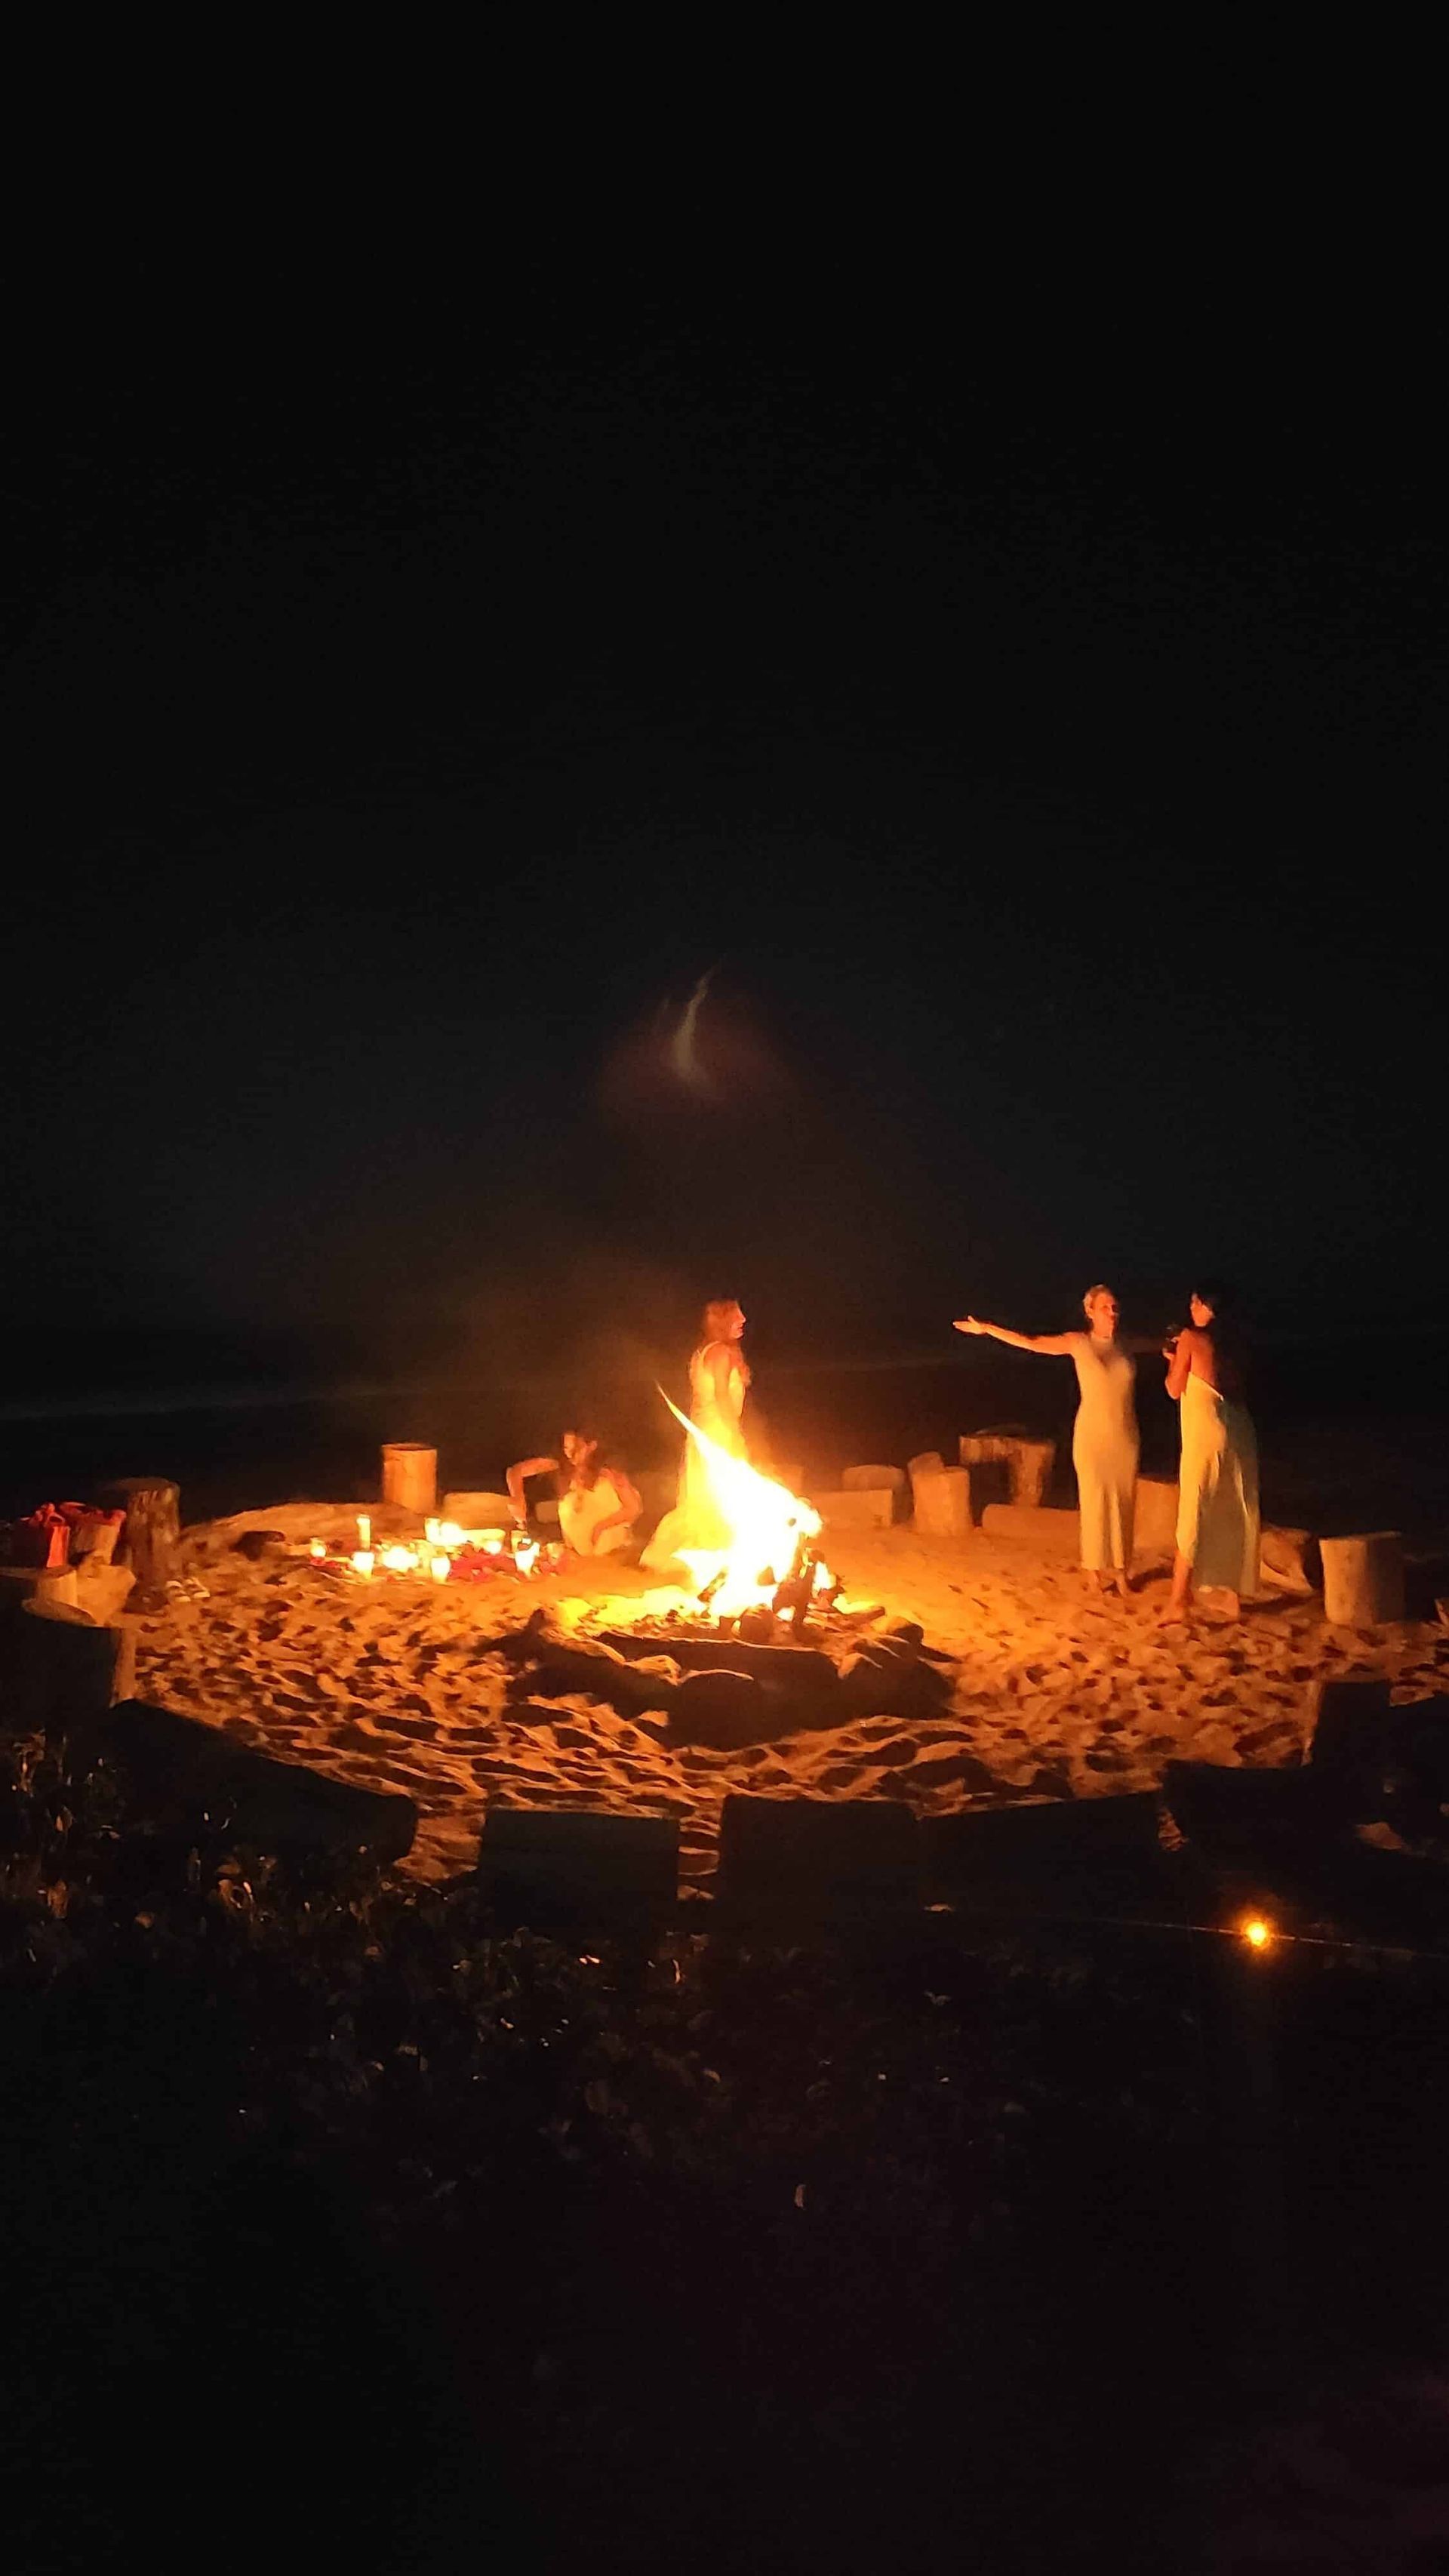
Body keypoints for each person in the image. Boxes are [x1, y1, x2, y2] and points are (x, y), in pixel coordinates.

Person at [953, 1286, 1140, 1593]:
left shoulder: (1126, 1345)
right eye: (1105, 1307)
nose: (1112, 1312)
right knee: (1094, 1501)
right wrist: (987, 1329)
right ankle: (1093, 1571)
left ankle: (1121, 1572)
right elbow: (1031, 1342)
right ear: (1090, 1312)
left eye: (1114, 1307)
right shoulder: (1078, 1343)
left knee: (1124, 1501)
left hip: (1125, 1436)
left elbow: (1167, 1347)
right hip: (1092, 1435)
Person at [1162, 1281, 1259, 1619]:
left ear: (1206, 1306)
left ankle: (1178, 1599)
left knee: (1194, 1508)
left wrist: (1172, 1360)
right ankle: (1230, 1594)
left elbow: (1174, 1388)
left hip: (1207, 1430)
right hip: (1240, 1429)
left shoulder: (1193, 1338)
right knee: (1232, 1506)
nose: (1191, 1308)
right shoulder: (1237, 1342)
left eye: (1195, 1302)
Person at [640, 1297, 752, 1571]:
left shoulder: (703, 1352)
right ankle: (711, 1553)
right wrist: (735, 1435)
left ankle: (701, 1554)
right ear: (723, 1321)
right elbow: (722, 1397)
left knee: (702, 1494)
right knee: (720, 1493)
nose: (743, 1320)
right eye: (737, 1316)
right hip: (717, 1430)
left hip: (703, 1430)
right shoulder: (721, 1353)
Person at [505, 1427, 642, 1559]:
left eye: (576, 1449)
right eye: (566, 1448)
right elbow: (515, 1472)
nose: (570, 1455)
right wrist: (517, 1497)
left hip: (610, 1549)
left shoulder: (610, 1471)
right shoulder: (561, 1465)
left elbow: (633, 1508)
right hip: (576, 1550)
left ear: (592, 1446)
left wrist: (601, 1527)